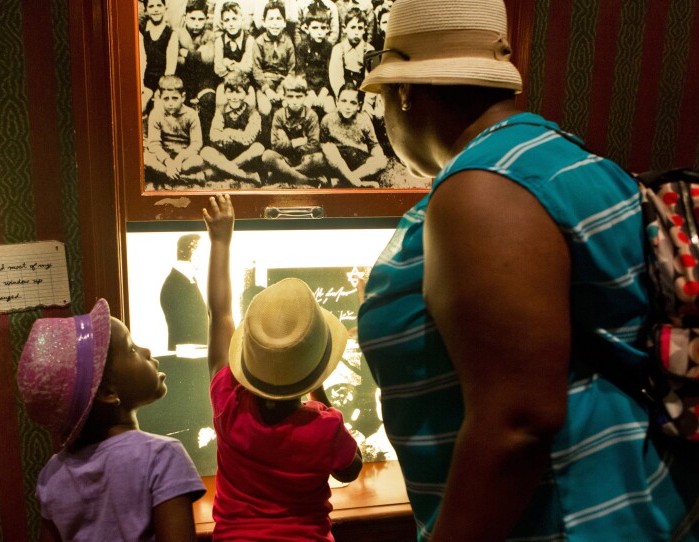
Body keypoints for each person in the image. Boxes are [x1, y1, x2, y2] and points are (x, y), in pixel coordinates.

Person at [356, 0, 699, 540]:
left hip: (571, 523)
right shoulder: (566, 159)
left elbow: (516, 424)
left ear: (404, 90)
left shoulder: (481, 188)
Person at [202, 194, 363, 540]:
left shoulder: (227, 406)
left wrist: (220, 241)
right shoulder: (326, 426)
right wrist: (316, 386)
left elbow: (220, 314)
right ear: (318, 367)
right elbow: (350, 470)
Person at [17, 299, 206, 541]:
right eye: (132, 349)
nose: (147, 351)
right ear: (108, 392)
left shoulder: (52, 475)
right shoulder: (163, 457)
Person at [200, 72, 265, 186]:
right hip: (224, 153)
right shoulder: (221, 110)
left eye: (239, 92)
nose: (234, 97)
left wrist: (228, 132)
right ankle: (246, 176)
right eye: (230, 92)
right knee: (206, 151)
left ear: (246, 94)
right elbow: (214, 135)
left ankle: (223, 171)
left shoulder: (252, 112)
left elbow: (248, 139)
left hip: (244, 156)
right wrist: (237, 135)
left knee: (258, 148)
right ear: (225, 93)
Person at [262, 74, 327, 186]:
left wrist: (288, 145)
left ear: (305, 97)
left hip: (304, 159)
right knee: (267, 155)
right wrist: (296, 142)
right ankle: (306, 180)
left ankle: (286, 174)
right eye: (290, 96)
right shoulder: (279, 115)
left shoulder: (311, 115)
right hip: (285, 158)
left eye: (299, 96)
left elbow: (314, 144)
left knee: (320, 158)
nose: (294, 101)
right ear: (285, 97)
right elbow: (274, 144)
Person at [319, 81, 386, 187]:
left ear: (359, 105)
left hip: (358, 161)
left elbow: (374, 144)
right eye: (344, 101)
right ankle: (358, 183)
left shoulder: (364, 120)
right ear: (337, 101)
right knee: (328, 148)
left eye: (352, 103)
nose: (347, 106)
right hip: (337, 163)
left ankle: (342, 182)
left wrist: (377, 154)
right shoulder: (328, 120)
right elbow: (323, 144)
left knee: (381, 161)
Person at [144, 75, 206, 188]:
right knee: (145, 158)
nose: (170, 103)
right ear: (159, 97)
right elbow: (154, 144)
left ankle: (165, 175)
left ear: (183, 97)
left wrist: (179, 158)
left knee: (198, 160)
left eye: (175, 98)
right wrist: (168, 161)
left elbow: (196, 143)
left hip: (183, 157)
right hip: (163, 156)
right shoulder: (156, 113)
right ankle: (186, 178)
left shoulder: (191, 114)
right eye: (166, 99)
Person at [175, 0, 218, 137]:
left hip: (204, 79)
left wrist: (186, 53)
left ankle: (205, 140)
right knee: (179, 100)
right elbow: (175, 60)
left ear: (206, 19)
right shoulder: (177, 33)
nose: (196, 22)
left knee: (209, 99)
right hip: (183, 79)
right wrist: (198, 55)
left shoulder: (210, 35)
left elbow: (208, 58)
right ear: (185, 17)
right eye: (192, 18)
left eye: (201, 19)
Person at [160, 233, 209, 351]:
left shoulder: (186, 281)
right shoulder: (174, 286)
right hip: (188, 360)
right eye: (199, 252)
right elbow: (186, 334)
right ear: (187, 252)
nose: (204, 257)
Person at [252, 1, 296, 117]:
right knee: (265, 109)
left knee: (288, 106)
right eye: (271, 19)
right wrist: (267, 90)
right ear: (264, 22)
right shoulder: (259, 42)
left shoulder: (288, 42)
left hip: (284, 83)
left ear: (284, 23)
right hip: (265, 83)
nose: (275, 23)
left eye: (278, 19)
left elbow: (292, 70)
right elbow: (257, 70)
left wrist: (282, 89)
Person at [294, 5, 336, 116]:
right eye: (315, 28)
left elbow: (330, 73)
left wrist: (323, 92)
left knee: (331, 109)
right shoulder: (301, 47)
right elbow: (300, 72)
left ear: (328, 29)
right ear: (307, 29)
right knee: (304, 109)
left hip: (324, 90)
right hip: (308, 90)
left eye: (323, 28)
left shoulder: (329, 47)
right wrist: (310, 92)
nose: (319, 32)